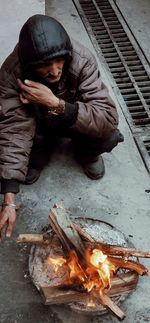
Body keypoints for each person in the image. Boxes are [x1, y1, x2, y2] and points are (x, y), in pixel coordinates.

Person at [0, 14, 124, 239]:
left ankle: (86, 154)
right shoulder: (12, 71)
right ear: (30, 65)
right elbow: (14, 128)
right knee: (26, 158)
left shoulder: (82, 59)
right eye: (44, 66)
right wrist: (9, 197)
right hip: (40, 125)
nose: (55, 71)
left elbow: (107, 117)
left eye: (59, 62)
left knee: (109, 136)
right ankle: (39, 155)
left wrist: (55, 104)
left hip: (73, 120)